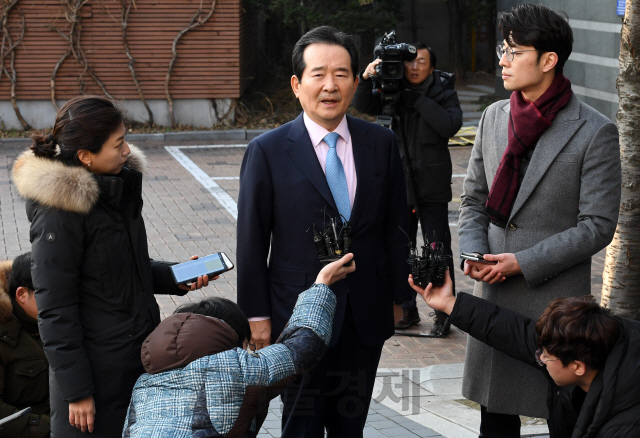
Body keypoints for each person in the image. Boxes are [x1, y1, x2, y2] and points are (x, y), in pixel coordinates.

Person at [236, 26, 412, 437]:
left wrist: (399, 297)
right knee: (302, 425)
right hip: (297, 319)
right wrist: (257, 317)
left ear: (356, 80)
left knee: (352, 425)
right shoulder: (268, 150)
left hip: (366, 316)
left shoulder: (380, 142)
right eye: (318, 75)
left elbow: (396, 226)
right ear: (297, 84)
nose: (330, 86)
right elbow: (251, 243)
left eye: (341, 74)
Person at [458, 4, 621, 436]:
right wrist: (473, 253)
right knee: (494, 420)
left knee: (564, 418)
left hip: (554, 305)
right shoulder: (495, 117)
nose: (502, 60)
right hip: (492, 293)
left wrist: (525, 261)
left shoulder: (593, 131)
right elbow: (473, 198)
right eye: (502, 49)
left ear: (549, 60)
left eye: (514, 51)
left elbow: (598, 224)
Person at [11, 96, 211, 437]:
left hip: (134, 361)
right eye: (118, 143)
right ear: (86, 156)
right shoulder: (59, 214)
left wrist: (176, 276)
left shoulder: (116, 190)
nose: (126, 150)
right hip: (92, 381)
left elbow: (124, 268)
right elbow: (55, 308)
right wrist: (77, 392)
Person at [124, 254, 354, 437]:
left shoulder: (144, 383)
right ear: (230, 337)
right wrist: (321, 284)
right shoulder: (236, 366)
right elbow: (304, 346)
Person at [409, 272, 640, 438]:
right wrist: (450, 303)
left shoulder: (623, 424)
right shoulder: (596, 341)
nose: (539, 358)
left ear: (578, 367)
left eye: (546, 357)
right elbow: (515, 332)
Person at [352, 43, 462, 334]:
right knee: (401, 247)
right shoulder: (391, 89)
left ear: (431, 66)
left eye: (421, 62)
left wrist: (418, 100)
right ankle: (406, 308)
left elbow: (450, 124)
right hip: (398, 183)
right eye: (409, 62)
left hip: (432, 183)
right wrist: (365, 79)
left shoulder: (442, 89)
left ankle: (443, 312)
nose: (414, 68)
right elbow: (363, 105)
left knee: (435, 248)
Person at [0, 253, 49, 437]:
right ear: (22, 294)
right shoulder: (4, 337)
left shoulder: (61, 322)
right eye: (48, 294)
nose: (61, 302)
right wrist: (52, 428)